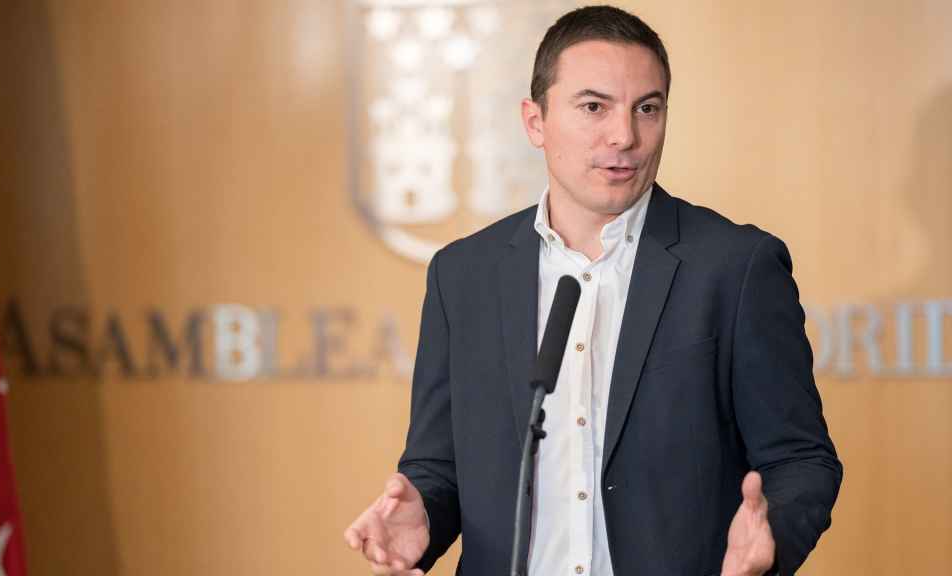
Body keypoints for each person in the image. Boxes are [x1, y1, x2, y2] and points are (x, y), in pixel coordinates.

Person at [344, 5, 841, 575]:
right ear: (535, 121)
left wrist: (771, 539)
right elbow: (441, 467)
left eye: (646, 109)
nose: (625, 136)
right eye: (593, 107)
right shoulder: (463, 274)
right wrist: (423, 519)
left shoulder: (735, 266)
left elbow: (801, 459)